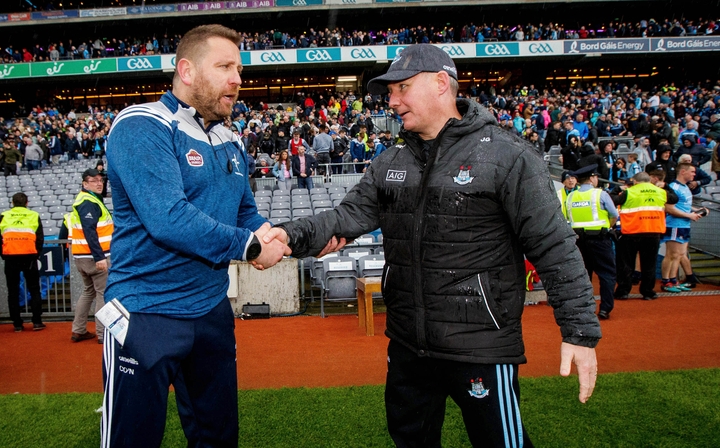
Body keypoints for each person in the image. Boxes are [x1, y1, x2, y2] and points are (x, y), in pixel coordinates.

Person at [261, 44, 599, 448]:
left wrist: (579, 330)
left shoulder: (507, 155)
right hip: (408, 344)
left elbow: (554, 245)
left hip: (480, 345)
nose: (392, 101)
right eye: (390, 92)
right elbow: (345, 217)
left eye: (402, 88)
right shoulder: (391, 160)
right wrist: (288, 235)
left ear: (441, 83)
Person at [101, 24, 288, 447]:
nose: (237, 79)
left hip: (211, 311)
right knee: (132, 439)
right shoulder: (141, 123)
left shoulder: (230, 138)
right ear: (186, 71)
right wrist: (249, 246)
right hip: (146, 311)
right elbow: (168, 217)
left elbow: (244, 211)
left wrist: (270, 235)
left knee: (218, 436)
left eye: (239, 70)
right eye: (224, 67)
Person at [565, 164, 619, 320]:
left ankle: (584, 308)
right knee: (606, 274)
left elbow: (567, 217)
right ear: (591, 178)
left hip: (579, 241)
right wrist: (607, 226)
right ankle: (605, 308)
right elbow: (614, 214)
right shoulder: (600, 194)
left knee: (582, 275)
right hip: (599, 239)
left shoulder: (571, 197)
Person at [66, 168, 112, 343]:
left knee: (88, 292)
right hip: (94, 257)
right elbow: (89, 231)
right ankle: (102, 334)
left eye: (100, 180)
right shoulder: (88, 202)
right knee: (102, 293)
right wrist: (99, 257)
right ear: (85, 184)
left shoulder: (84, 199)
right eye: (94, 180)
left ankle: (78, 330)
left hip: (81, 256)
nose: (99, 183)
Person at [0, 192, 46, 332]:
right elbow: (40, 238)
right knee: (34, 289)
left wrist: (4, 255)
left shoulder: (4, 215)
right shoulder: (34, 215)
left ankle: (17, 324)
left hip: (10, 257)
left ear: (12, 203)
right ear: (27, 203)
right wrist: (36, 254)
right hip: (29, 256)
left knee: (12, 290)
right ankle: (37, 322)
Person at [660, 163, 705, 293]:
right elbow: (669, 208)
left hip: (684, 224)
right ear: (683, 172)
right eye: (692, 172)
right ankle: (666, 281)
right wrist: (689, 215)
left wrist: (697, 211)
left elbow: (684, 206)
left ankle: (673, 280)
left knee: (679, 255)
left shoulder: (685, 187)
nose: (694, 174)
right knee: (672, 254)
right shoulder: (673, 187)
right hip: (674, 224)